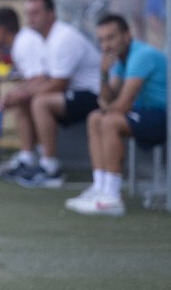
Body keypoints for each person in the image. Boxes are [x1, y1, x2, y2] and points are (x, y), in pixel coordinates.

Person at [64, 14, 167, 216]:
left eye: (110, 38)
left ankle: (112, 196)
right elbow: (106, 100)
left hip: (164, 117)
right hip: (148, 113)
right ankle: (100, 188)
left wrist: (107, 107)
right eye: (101, 40)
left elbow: (121, 106)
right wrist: (103, 74)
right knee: (95, 118)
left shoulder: (140, 56)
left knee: (109, 121)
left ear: (127, 35)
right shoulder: (121, 59)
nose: (106, 45)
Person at [1, 0, 101, 189]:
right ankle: (28, 158)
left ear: (51, 14)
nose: (31, 17)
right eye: (28, 13)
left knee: (40, 101)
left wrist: (23, 94)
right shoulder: (44, 38)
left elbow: (57, 84)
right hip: (73, 93)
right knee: (26, 99)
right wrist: (15, 94)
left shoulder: (62, 38)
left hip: (95, 95)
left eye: (36, 12)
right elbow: (41, 79)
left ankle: (51, 168)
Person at [0, 6, 49, 173]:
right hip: (54, 87)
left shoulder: (23, 43)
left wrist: (17, 94)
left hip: (67, 91)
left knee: (22, 101)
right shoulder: (20, 42)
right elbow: (33, 79)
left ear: (0, 31)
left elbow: (41, 78)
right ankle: (29, 154)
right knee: (18, 98)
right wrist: (13, 94)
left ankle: (36, 157)